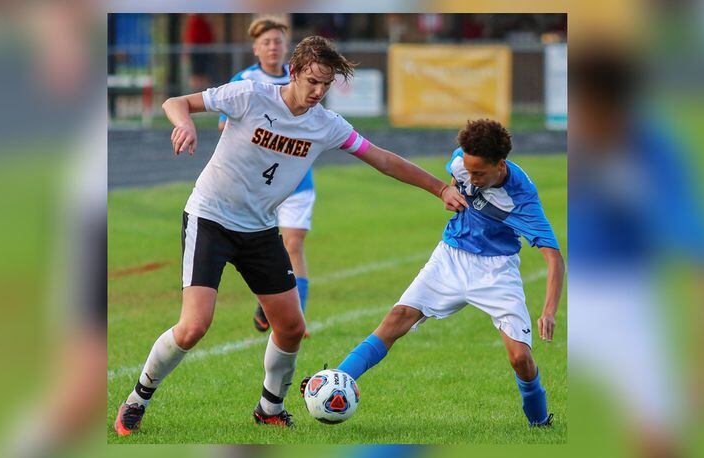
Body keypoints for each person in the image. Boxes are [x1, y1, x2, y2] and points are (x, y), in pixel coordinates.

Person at [113, 35, 468, 434]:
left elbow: (382, 159)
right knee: (194, 326)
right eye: (313, 81)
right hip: (210, 218)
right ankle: (137, 399)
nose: (319, 92)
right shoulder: (250, 95)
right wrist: (185, 125)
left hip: (261, 229)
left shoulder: (326, 125)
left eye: (327, 85)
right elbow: (176, 102)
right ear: (294, 72)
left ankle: (269, 408)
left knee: (292, 327)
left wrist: (439, 188)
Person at [301, 119, 565, 427]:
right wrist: (445, 191)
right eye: (469, 170)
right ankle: (336, 381)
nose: (472, 177)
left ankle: (539, 419)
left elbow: (554, 258)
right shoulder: (461, 162)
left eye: (479, 173)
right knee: (397, 318)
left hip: (496, 271)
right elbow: (452, 182)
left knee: (520, 358)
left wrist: (548, 311)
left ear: (501, 164)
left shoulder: (523, 200)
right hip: (450, 258)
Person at [217, 17, 314, 338]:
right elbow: (224, 124)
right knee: (255, 245)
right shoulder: (245, 80)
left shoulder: (300, 78)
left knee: (294, 243)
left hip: (296, 178)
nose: (273, 47)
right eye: (267, 42)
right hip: (255, 183)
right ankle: (270, 305)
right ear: (256, 48)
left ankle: (296, 318)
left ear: (287, 46)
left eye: (278, 41)